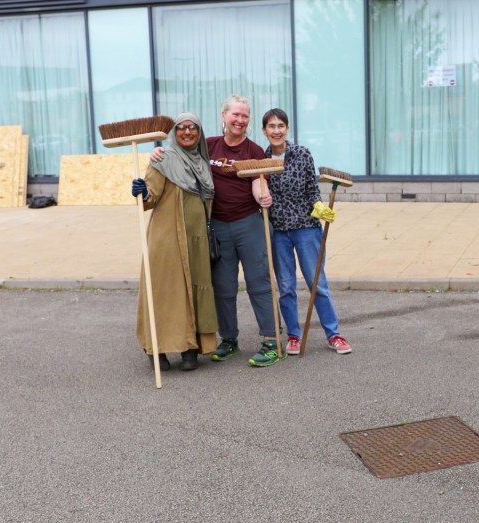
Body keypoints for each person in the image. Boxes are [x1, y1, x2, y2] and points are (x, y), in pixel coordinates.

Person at [154, 95, 282, 367]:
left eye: (245, 116)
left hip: (249, 223)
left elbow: (258, 184)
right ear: (223, 116)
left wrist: (263, 197)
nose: (240, 120)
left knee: (259, 283)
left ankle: (272, 341)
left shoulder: (254, 151)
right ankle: (229, 340)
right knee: (222, 287)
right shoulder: (208, 146)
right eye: (235, 115)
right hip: (216, 227)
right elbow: (181, 155)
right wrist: (158, 153)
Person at [130, 112, 218, 372]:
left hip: (197, 240)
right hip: (167, 239)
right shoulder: (163, 159)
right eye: (182, 128)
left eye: (193, 128)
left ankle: (190, 348)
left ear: (199, 133)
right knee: (165, 293)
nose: (187, 132)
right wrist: (142, 190)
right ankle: (155, 349)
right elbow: (150, 198)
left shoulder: (203, 163)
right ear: (174, 133)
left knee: (194, 289)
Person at [261, 107, 352, 355]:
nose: (276, 130)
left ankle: (334, 334)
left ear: (287, 129)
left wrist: (319, 206)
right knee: (286, 286)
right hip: (278, 231)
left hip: (306, 229)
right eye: (271, 126)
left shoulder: (302, 154)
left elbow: (312, 189)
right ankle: (293, 335)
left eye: (281, 126)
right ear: (264, 131)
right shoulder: (262, 160)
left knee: (317, 284)